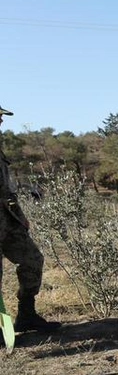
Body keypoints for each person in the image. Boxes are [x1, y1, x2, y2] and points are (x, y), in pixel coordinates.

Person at [0, 104, 62, 335]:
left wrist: (20, 216)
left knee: (32, 260)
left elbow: (6, 190)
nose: (1, 122)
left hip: (8, 219)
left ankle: (27, 316)